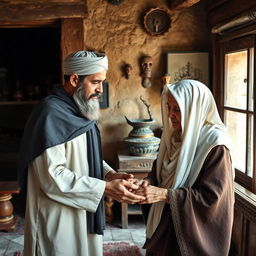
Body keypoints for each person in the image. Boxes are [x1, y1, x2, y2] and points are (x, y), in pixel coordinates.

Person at [18, 50, 145, 256]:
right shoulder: (50, 114)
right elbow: (51, 176)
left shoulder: (82, 109)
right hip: (57, 214)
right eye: (95, 82)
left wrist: (109, 174)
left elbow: (86, 156)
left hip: (84, 206)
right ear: (75, 79)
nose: (100, 89)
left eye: (102, 82)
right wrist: (105, 187)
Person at [135, 79, 235, 256]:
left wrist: (163, 194)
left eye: (178, 110)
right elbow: (159, 170)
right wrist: (148, 182)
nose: (170, 115)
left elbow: (212, 198)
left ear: (194, 110)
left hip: (188, 233)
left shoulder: (215, 145)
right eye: (169, 107)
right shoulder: (173, 137)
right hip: (165, 222)